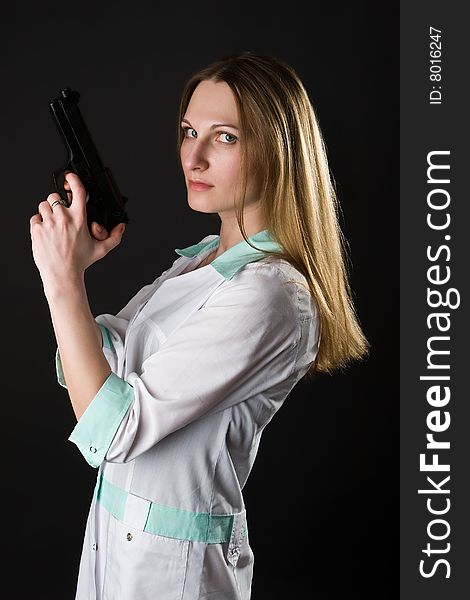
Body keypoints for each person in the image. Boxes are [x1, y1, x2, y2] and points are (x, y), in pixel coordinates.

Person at [30, 51, 370, 600]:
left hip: (177, 574)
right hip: (112, 542)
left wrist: (62, 281)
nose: (195, 155)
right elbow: (100, 361)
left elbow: (110, 430)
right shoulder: (202, 259)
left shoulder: (272, 295)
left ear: (279, 151)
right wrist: (73, 274)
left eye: (226, 137)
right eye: (190, 131)